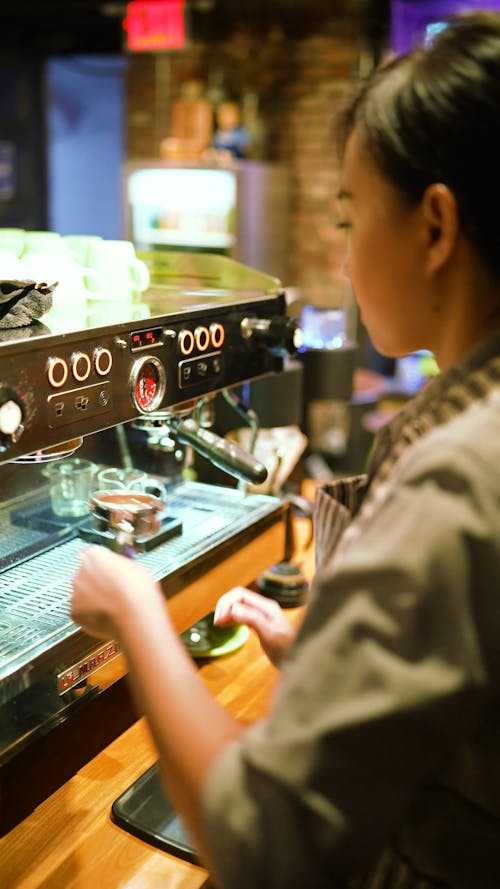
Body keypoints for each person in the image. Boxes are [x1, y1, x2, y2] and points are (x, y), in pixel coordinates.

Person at [71, 12, 500, 888]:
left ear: (435, 226)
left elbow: (270, 843)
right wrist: (325, 666)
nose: (342, 260)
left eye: (348, 219)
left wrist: (137, 612)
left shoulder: (464, 474)